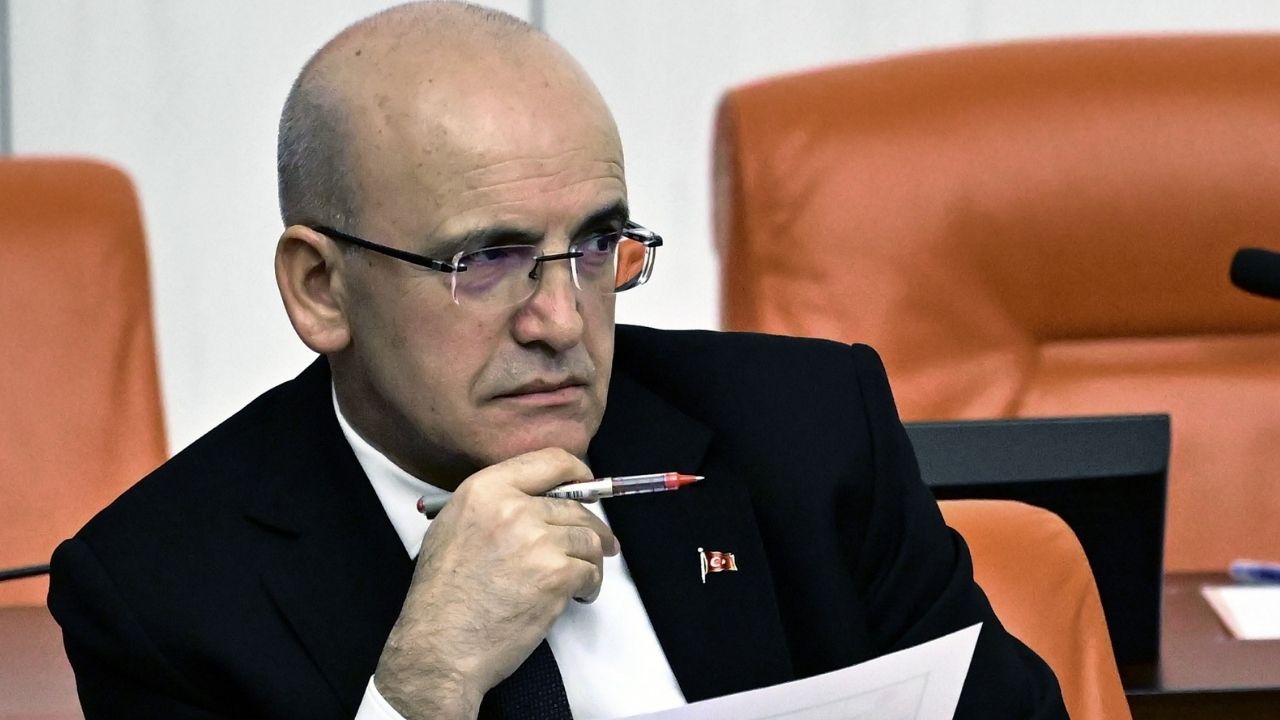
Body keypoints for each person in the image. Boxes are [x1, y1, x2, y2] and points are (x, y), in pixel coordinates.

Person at [48, 3, 1068, 719]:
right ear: (321, 288)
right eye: (484, 260)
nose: (561, 319)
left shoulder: (807, 434)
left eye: (594, 245)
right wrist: (421, 687)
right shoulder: (161, 593)